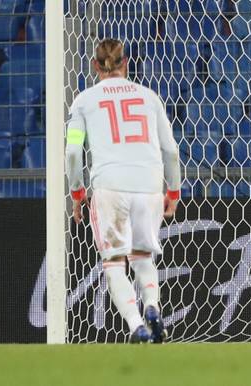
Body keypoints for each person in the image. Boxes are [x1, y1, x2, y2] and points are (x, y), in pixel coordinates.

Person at [65, 39, 181, 343]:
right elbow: (171, 149)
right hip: (149, 186)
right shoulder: (149, 97)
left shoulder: (84, 101)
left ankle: (136, 325)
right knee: (143, 258)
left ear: (94, 66)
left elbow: (73, 153)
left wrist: (78, 194)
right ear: (125, 63)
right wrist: (174, 191)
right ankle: (153, 307)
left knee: (114, 263)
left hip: (110, 188)